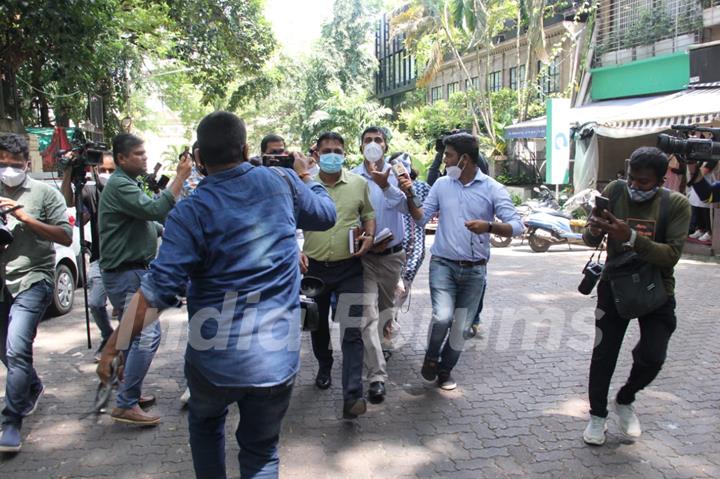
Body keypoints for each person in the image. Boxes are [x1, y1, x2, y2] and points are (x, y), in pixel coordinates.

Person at [98, 111, 336, 478]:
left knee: (206, 426)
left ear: (199, 160)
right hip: (274, 358)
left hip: (213, 361)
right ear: (244, 149)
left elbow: (158, 292)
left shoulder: (189, 212)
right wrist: (307, 175)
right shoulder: (283, 182)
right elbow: (325, 215)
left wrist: (114, 346)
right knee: (260, 453)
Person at [581, 146, 691, 446]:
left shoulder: (677, 205)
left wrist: (629, 236)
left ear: (659, 181)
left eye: (642, 182)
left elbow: (670, 255)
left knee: (653, 356)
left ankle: (625, 398)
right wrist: (594, 226)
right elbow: (589, 239)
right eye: (631, 178)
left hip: (657, 291)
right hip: (614, 287)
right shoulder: (616, 191)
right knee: (604, 354)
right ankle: (597, 416)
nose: (634, 186)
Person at [397, 132, 522, 391]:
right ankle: (431, 357)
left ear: (464, 159)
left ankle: (445, 370)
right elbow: (421, 218)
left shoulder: (492, 188)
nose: (445, 162)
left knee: (462, 327)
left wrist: (488, 227)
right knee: (442, 317)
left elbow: (517, 226)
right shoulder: (442, 185)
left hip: (475, 270)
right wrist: (409, 194)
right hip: (442, 263)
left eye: (449, 156)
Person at [98, 132, 192, 425]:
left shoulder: (129, 184)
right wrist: (179, 178)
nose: (145, 157)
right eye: (138, 153)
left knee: (131, 335)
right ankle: (125, 403)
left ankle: (128, 391)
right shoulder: (119, 185)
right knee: (145, 335)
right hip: (126, 272)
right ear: (122, 158)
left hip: (132, 269)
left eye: (144, 152)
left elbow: (148, 218)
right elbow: (154, 208)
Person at [0, 133, 73, 452]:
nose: (8, 170)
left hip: (34, 278)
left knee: (17, 348)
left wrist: (24, 218)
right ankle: (33, 385)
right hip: (2, 281)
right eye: (2, 164)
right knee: (5, 350)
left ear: (26, 164)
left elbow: (66, 236)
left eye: (14, 164)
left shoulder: (44, 193)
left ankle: (11, 421)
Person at [299, 131, 375, 419]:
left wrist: (369, 235)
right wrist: (296, 251)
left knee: (352, 330)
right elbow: (288, 221)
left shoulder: (358, 184)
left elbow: (368, 213)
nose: (333, 155)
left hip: (349, 268)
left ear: (345, 154)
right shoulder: (304, 185)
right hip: (313, 269)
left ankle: (352, 395)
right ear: (316, 154)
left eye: (338, 150)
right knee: (314, 327)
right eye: (327, 150)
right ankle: (324, 365)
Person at [350, 127, 415, 404]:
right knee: (368, 317)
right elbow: (348, 217)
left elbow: (406, 208)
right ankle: (376, 377)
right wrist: (363, 239)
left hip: (392, 257)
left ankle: (380, 346)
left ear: (386, 147)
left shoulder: (399, 174)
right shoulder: (352, 177)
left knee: (385, 313)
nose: (373, 144)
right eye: (368, 141)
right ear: (361, 146)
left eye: (378, 140)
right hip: (364, 259)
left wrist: (387, 184)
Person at [60, 151, 116, 360]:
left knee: (127, 309)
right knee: (95, 303)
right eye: (102, 170)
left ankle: (122, 347)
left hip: (127, 263)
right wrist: (68, 173)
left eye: (111, 170)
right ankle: (107, 336)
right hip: (100, 258)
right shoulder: (93, 192)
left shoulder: (129, 190)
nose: (106, 174)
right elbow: (68, 201)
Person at [393, 161, 431, 326]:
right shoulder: (386, 187)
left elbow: (426, 213)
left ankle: (391, 319)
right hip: (390, 248)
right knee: (391, 288)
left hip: (414, 250)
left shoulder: (422, 187)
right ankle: (388, 323)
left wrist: (410, 193)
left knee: (403, 288)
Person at [687, 160, 716, 243]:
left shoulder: (713, 160)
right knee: (697, 209)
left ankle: (709, 232)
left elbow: (703, 172)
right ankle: (700, 229)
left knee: (706, 213)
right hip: (697, 188)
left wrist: (694, 172)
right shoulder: (702, 159)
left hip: (708, 187)